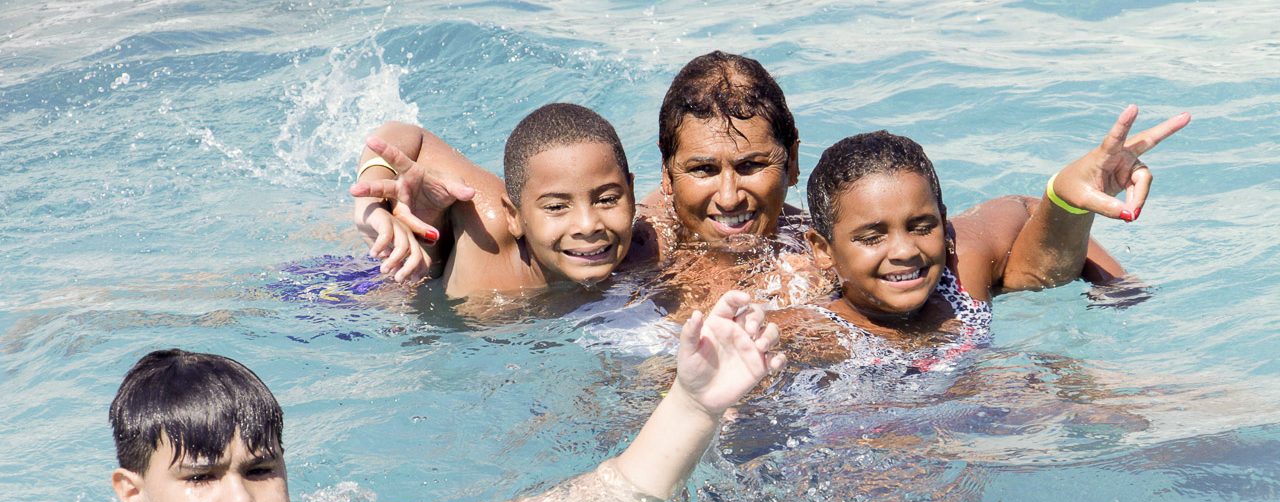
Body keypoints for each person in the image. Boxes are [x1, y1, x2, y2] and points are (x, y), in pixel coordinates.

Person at [49, 291, 784, 502]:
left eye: (261, 470)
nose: (240, 500)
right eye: (203, 479)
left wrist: (693, 404)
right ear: (133, 495)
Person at [351, 51, 1130, 303]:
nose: (729, 195)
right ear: (664, 172)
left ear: (792, 162)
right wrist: (388, 195)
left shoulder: (837, 242)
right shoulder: (616, 234)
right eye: (703, 170)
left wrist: (1075, 203)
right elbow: (408, 144)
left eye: (754, 165)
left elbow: (1019, 230)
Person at [782, 105, 1190, 369]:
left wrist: (1113, 280)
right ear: (822, 250)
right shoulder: (809, 335)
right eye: (872, 237)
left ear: (944, 222)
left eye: (922, 227)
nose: (905, 251)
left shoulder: (960, 276)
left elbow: (1024, 208)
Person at [351, 102, 657, 297]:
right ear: (514, 215)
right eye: (556, 207)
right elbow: (401, 133)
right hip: (356, 287)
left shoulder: (651, 250)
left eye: (606, 200)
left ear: (630, 194)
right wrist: (371, 202)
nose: (588, 225)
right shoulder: (486, 225)